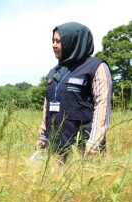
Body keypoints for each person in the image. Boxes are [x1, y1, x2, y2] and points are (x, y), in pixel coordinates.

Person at [35, 22, 112, 161]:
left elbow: (103, 105)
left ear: (73, 42)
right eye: (53, 40)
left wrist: (94, 141)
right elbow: (47, 104)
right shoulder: (54, 72)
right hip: (55, 145)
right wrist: (42, 134)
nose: (53, 45)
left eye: (59, 41)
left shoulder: (96, 67)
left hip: (83, 148)